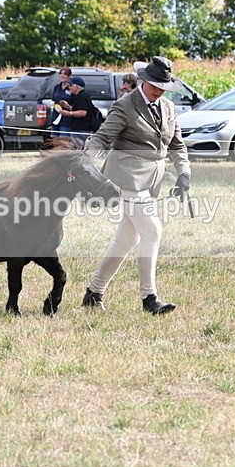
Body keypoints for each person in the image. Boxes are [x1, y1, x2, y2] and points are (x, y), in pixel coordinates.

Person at [81, 56, 191, 314]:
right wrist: (84, 162)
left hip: (151, 181)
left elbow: (177, 145)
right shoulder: (125, 105)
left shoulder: (169, 108)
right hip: (126, 177)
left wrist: (184, 173)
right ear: (143, 80)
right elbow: (103, 137)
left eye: (163, 87)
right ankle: (149, 298)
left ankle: (93, 292)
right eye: (154, 86)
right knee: (152, 231)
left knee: (125, 240)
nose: (159, 91)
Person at [57, 76, 97, 143]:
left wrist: (68, 113)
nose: (69, 87)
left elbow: (83, 112)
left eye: (71, 85)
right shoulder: (78, 96)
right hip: (77, 128)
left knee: (78, 149)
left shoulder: (82, 97)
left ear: (77, 86)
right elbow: (78, 109)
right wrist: (67, 106)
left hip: (81, 129)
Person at [50, 67, 74, 137]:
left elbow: (76, 104)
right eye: (61, 74)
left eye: (65, 74)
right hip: (56, 116)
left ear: (69, 76)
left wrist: (67, 105)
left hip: (66, 119)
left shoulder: (72, 88)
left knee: (63, 140)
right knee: (54, 139)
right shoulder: (56, 87)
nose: (62, 76)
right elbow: (54, 101)